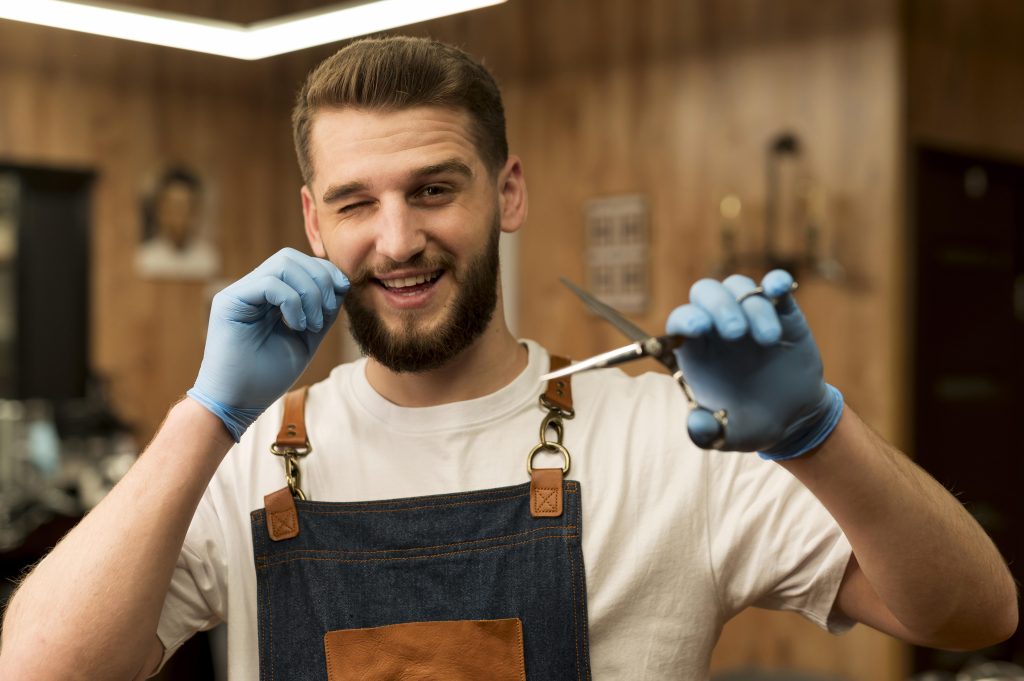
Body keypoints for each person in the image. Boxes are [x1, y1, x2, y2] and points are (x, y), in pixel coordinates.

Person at [0, 36, 1016, 681]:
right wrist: (205, 417)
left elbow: (974, 614)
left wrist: (816, 434)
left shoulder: (666, 438)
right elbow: (40, 670)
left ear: (508, 192)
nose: (396, 239)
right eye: (356, 202)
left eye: (434, 190)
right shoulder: (252, 451)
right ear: (313, 222)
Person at [135, 166, 220, 280]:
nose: (179, 215)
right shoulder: (146, 259)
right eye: (173, 206)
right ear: (160, 210)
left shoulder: (208, 258)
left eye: (185, 206)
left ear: (195, 211)